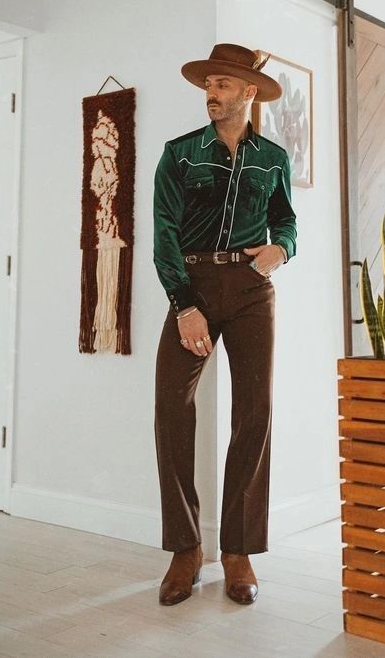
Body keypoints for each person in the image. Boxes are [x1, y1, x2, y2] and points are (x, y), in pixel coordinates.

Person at [153, 43, 297, 606]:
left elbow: (286, 219)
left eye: (222, 85)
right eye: (208, 84)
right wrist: (183, 303)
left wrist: (280, 249)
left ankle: (237, 551)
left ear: (248, 92)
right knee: (172, 406)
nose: (212, 94)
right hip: (192, 287)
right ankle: (185, 548)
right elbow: (165, 230)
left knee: (255, 411)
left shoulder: (273, 158)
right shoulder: (180, 154)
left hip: (251, 291)